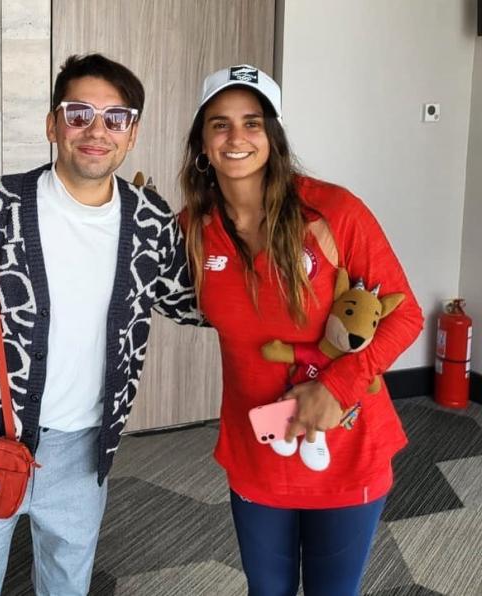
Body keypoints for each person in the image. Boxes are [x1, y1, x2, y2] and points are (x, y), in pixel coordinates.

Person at [0, 53, 201, 595]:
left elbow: (195, 303)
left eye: (116, 118)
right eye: (78, 112)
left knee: (66, 582)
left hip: (84, 449)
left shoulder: (151, 222)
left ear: (132, 134)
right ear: (52, 124)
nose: (96, 131)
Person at [180, 64, 424, 595]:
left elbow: (405, 316)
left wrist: (337, 387)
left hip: (344, 445)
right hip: (256, 451)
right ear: (202, 140)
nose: (237, 137)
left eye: (253, 122)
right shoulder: (193, 230)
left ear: (273, 136)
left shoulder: (334, 211)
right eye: (220, 124)